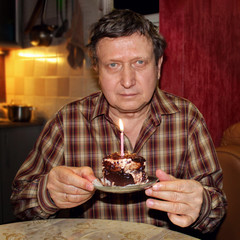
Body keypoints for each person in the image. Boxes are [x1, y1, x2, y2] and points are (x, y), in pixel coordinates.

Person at [11, 9, 226, 237]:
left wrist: (201, 205)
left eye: (139, 62)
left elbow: (217, 208)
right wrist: (48, 192)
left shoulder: (186, 118)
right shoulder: (68, 121)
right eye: (113, 65)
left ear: (158, 65)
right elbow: (19, 202)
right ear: (97, 69)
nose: (127, 81)